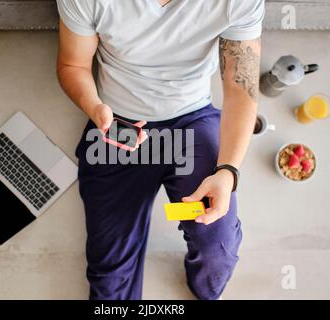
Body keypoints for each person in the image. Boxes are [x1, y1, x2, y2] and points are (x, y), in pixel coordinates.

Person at [56, 0, 264, 300]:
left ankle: (202, 289)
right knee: (111, 279)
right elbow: (72, 65)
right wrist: (95, 108)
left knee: (217, 248)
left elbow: (241, 86)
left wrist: (228, 171)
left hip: (192, 121)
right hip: (120, 126)